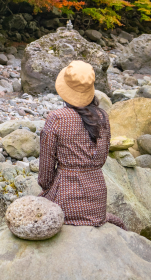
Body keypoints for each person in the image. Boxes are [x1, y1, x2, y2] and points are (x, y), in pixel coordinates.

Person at [38, 60, 126, 229]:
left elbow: (45, 175)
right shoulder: (102, 117)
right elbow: (101, 159)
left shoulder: (56, 118)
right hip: (97, 202)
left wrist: (50, 189)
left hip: (64, 202)